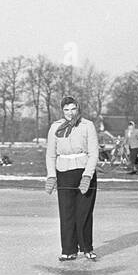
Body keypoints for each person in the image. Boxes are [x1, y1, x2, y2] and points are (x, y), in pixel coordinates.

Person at [44, 96, 100, 261]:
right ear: (62, 111)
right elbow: (50, 154)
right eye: (66, 110)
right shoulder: (55, 127)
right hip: (64, 172)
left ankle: (87, 247)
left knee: (84, 212)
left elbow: (93, 152)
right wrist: (51, 176)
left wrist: (87, 175)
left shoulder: (87, 126)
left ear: (78, 109)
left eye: (73, 109)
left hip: (84, 171)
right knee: (66, 212)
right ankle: (68, 249)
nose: (70, 113)